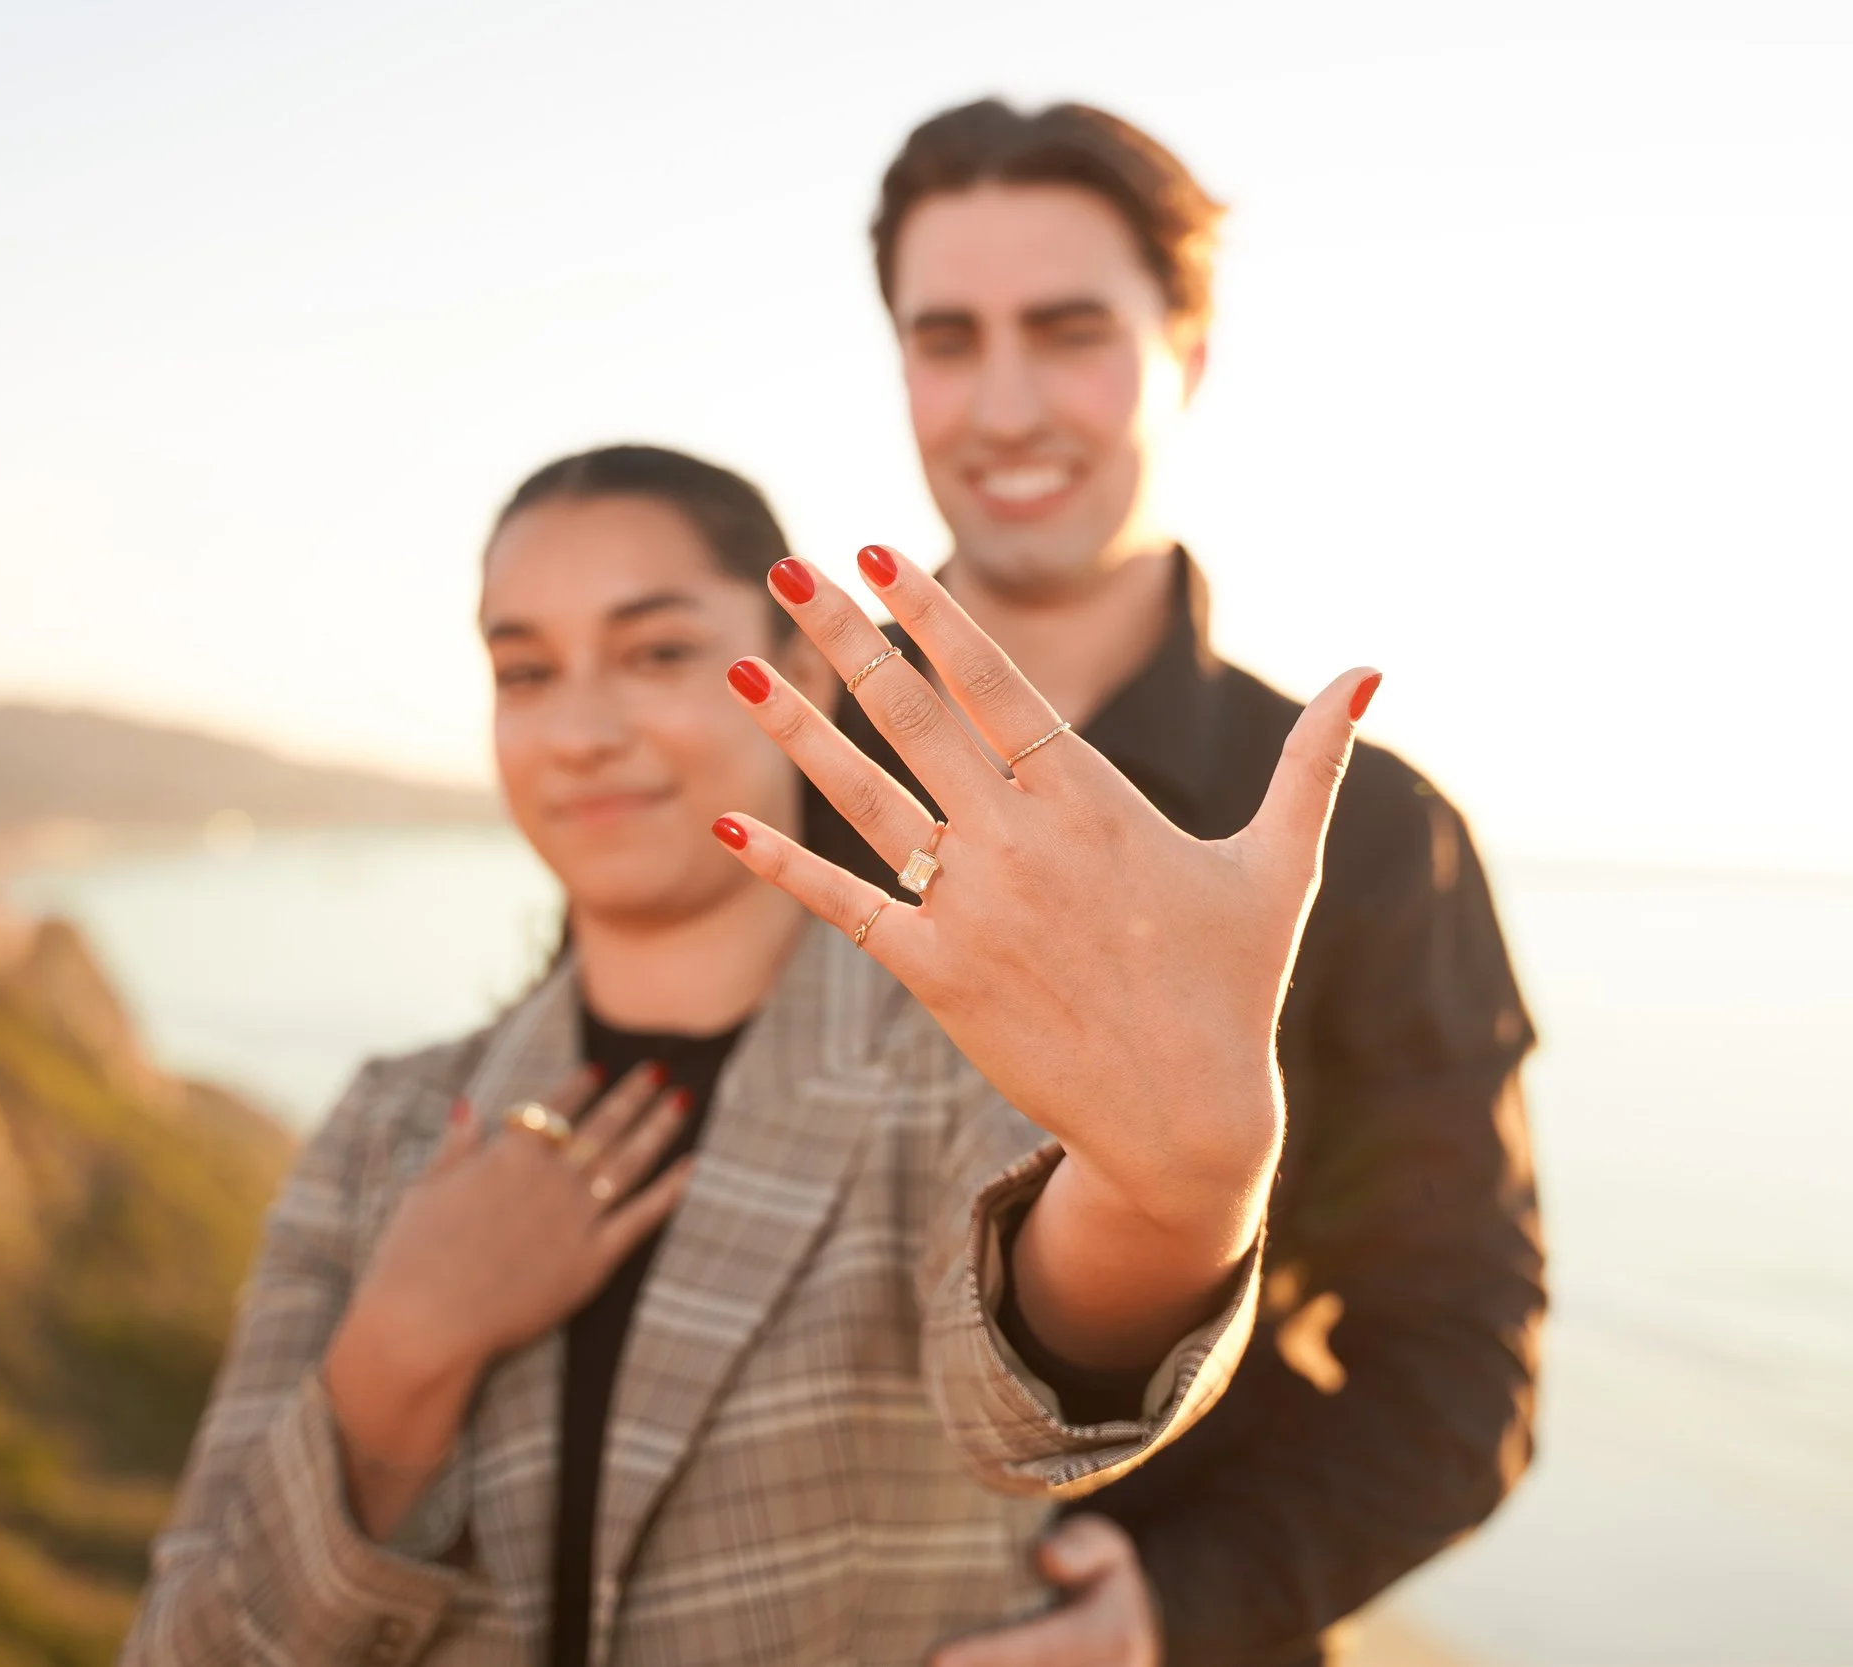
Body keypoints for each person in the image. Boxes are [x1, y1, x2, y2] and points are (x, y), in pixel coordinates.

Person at [119, 445, 1379, 1667]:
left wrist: (1181, 1186)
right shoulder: (388, 1125)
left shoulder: (951, 1061)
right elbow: (190, 1644)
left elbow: (1031, 1380)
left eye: (658, 651)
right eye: (525, 671)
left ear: (798, 664)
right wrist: (398, 1349)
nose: (579, 731)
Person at [806, 102, 1546, 1667]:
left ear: (1187, 355)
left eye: (1071, 332)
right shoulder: (794, 780)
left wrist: (1176, 1611)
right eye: (949, 339)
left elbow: (1461, 1363)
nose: (1004, 405)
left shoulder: (1370, 832)